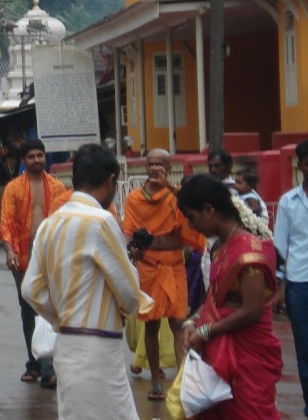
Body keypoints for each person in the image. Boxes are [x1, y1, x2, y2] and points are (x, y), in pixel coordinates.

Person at [22, 143, 151, 420]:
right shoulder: (101, 222)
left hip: (67, 344)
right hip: (99, 346)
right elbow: (129, 291)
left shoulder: (50, 223)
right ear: (111, 181)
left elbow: (30, 289)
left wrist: (61, 317)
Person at [178, 173, 282, 419]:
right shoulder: (221, 246)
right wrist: (193, 321)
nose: (192, 227)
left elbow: (252, 310)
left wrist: (206, 331)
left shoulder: (248, 250)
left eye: (192, 219)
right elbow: (214, 295)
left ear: (209, 209)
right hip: (223, 348)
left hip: (247, 352)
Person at [123, 148, 206, 401]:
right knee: (151, 324)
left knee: (179, 323)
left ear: (169, 169)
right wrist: (131, 250)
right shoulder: (135, 198)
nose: (154, 169)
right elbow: (128, 230)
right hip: (148, 265)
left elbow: (191, 214)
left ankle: (182, 378)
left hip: (173, 265)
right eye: (150, 164)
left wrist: (168, 186)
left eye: (160, 165)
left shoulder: (175, 196)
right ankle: (156, 381)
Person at [0, 138, 67, 389]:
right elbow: (6, 221)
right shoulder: (14, 188)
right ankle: (34, 363)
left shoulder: (58, 187)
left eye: (40, 155)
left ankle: (50, 367)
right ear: (23, 161)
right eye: (32, 156)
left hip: (50, 255)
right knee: (28, 310)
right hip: (23, 254)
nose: (37, 160)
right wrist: (9, 251)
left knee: (48, 309)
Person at [275, 139, 308, 418]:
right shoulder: (288, 202)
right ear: (301, 166)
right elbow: (279, 248)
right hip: (299, 284)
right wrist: (277, 287)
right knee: (304, 348)